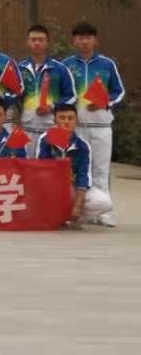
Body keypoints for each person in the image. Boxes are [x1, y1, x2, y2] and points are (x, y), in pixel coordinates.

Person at [64, 21, 125, 226]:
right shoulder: (67, 65)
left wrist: (104, 102)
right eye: (80, 38)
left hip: (101, 127)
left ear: (95, 41)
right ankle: (80, 211)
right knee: (78, 170)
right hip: (76, 128)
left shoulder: (107, 64)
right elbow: (63, 93)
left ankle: (104, 212)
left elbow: (119, 91)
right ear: (74, 41)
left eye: (88, 38)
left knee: (100, 170)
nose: (84, 42)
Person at [38, 104, 113, 227]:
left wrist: (78, 205)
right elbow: (40, 169)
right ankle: (57, 216)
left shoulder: (83, 146)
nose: (66, 122)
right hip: (52, 187)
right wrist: (59, 172)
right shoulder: (45, 140)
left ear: (76, 121)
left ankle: (75, 218)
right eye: (62, 118)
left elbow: (84, 178)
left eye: (70, 118)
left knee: (104, 202)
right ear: (55, 120)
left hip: (72, 187)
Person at [18, 23, 75, 152]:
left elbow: (71, 96)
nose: (37, 43)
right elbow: (14, 96)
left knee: (50, 164)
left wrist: (52, 107)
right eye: (33, 40)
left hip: (51, 128)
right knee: (27, 164)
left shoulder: (60, 69)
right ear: (27, 42)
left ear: (47, 43)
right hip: (27, 128)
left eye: (41, 40)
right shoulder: (20, 68)